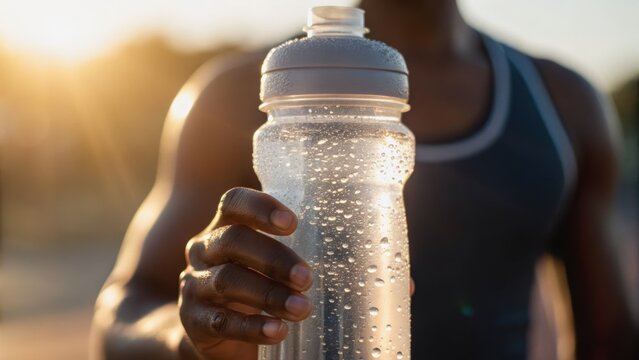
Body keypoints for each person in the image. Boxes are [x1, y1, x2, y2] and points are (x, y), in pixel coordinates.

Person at [90, 0, 637, 359]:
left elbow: (609, 339)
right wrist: (189, 333)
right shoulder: (242, 95)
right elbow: (121, 311)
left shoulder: (564, 103)